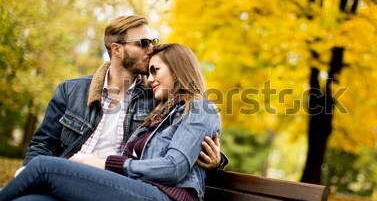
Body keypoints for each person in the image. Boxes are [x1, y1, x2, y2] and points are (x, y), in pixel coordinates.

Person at [0, 43, 222, 201]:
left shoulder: (201, 108)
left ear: (178, 68)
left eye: (156, 70)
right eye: (149, 72)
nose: (150, 78)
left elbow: (174, 167)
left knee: (44, 167)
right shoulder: (156, 115)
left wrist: (106, 163)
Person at [16, 15, 225, 176]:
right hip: (62, 175)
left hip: (114, 184)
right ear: (117, 49)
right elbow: (43, 143)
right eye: (143, 43)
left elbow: (183, 139)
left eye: (152, 41)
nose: (151, 49)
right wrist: (26, 173)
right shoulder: (71, 91)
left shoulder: (156, 99)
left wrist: (217, 161)